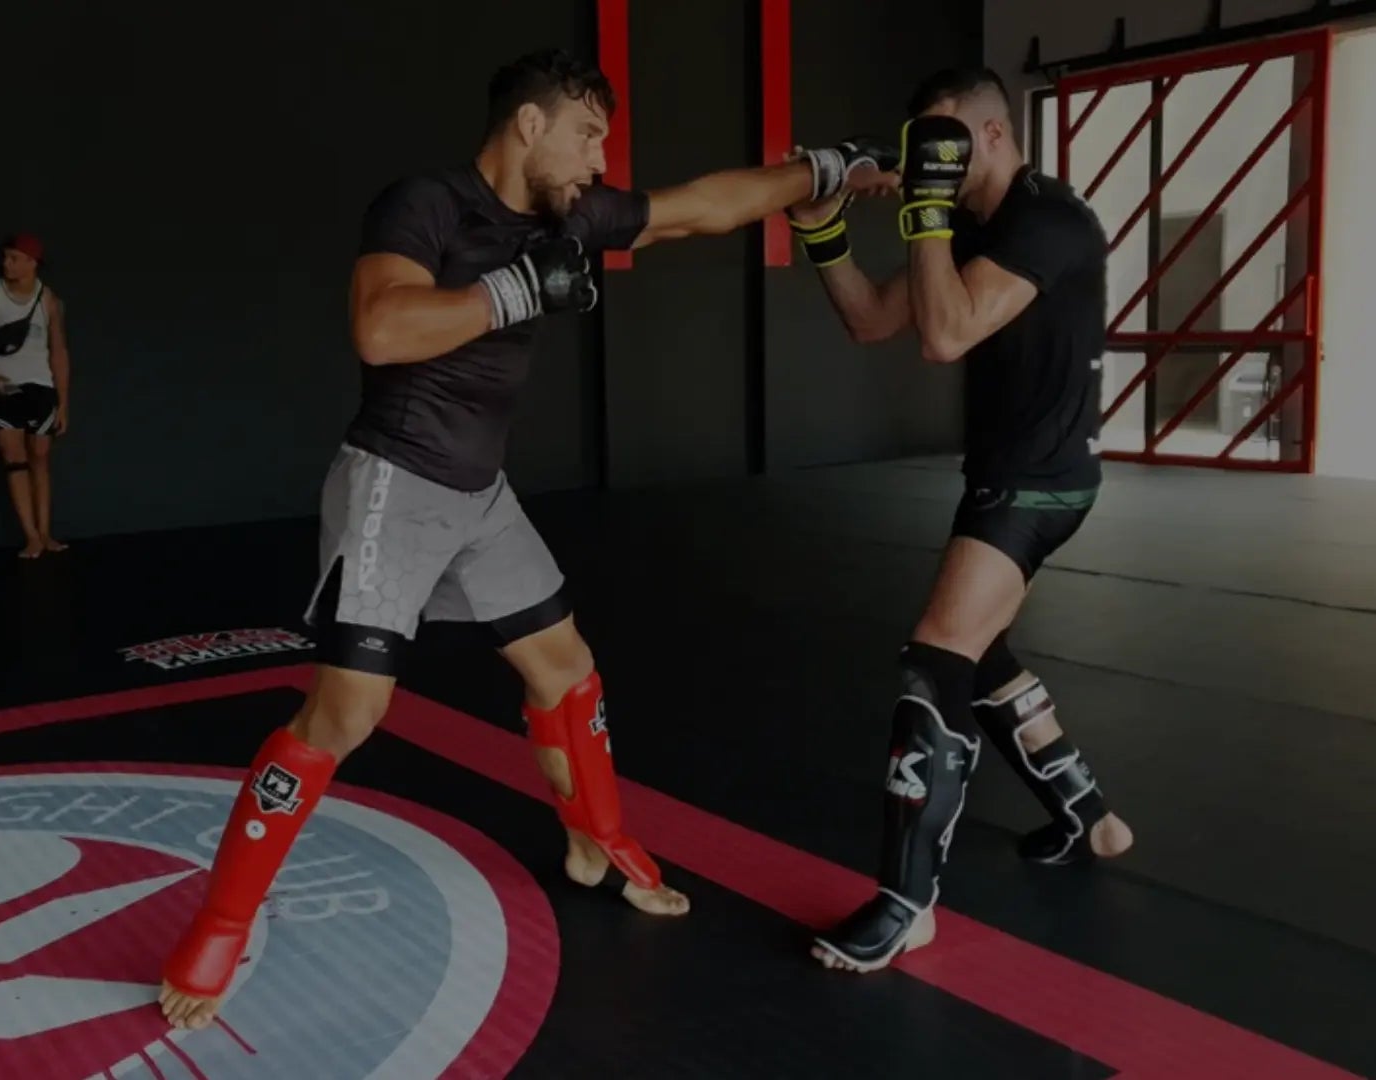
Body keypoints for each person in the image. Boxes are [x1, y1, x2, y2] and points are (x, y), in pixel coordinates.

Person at [156, 47, 897, 1030]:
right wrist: (512, 290)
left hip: (480, 494)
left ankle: (598, 841)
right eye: (589, 133)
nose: (600, 159)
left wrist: (831, 168)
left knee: (567, 667)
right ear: (531, 123)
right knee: (346, 716)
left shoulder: (570, 219)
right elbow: (380, 330)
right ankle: (220, 920)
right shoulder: (428, 205)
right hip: (395, 478)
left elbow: (698, 207)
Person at [782, 67, 1135, 974]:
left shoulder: (1049, 221)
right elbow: (873, 321)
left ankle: (908, 902)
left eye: (939, 142)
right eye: (916, 148)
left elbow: (946, 336)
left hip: (1043, 483)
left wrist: (924, 212)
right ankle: (1090, 817)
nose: (923, 162)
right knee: (984, 657)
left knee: (935, 659)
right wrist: (823, 232)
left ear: (990, 135)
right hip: (1007, 474)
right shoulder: (972, 223)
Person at [0, 232, 71, 557]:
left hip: (41, 387)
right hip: (4, 387)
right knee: (13, 457)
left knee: (40, 455)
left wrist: (63, 403)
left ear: (31, 263)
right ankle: (31, 536)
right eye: (5, 257)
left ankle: (46, 532)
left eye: (13, 258)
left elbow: (59, 352)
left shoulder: (49, 300)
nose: (6, 263)